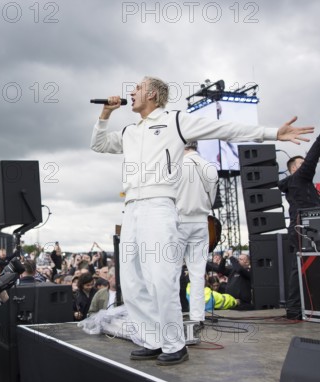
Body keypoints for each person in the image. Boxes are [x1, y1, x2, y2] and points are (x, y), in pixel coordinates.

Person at [91, 76, 313, 365]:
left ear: (154, 95)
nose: (130, 92)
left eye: (138, 88)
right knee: (132, 281)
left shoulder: (176, 121)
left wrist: (272, 132)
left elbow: (224, 128)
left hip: (159, 206)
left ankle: (174, 343)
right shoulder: (130, 131)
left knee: (160, 278)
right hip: (131, 207)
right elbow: (98, 144)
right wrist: (105, 114)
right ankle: (152, 339)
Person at [176, 141, 218, 330]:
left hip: (178, 221)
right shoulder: (209, 167)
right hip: (201, 221)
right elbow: (212, 197)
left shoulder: (176, 166)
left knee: (171, 273)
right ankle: (197, 317)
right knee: (197, 273)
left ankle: (173, 316)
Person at [278, 134, 320, 320]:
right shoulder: (299, 178)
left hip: (305, 227)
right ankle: (295, 309)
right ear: (295, 168)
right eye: (302, 164)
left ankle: (295, 309)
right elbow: (313, 157)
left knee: (300, 267)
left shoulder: (301, 184)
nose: (307, 167)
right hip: (304, 228)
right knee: (299, 268)